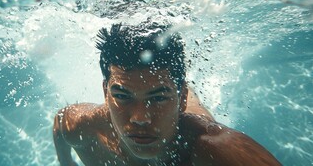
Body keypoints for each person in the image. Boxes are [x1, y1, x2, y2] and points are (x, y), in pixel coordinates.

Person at [53, 22, 281, 166]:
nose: (140, 118)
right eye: (122, 96)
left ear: (180, 99)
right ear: (106, 92)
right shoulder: (79, 126)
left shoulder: (213, 149)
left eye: (158, 98)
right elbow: (60, 126)